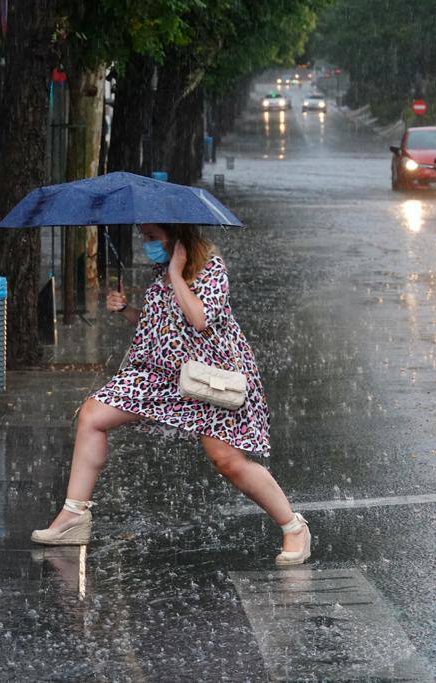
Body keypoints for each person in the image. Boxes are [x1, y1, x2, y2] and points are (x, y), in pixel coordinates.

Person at [32, 223, 311, 565]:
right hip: (160, 376)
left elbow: (199, 320)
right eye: (143, 236)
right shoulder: (160, 272)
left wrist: (178, 276)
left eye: (152, 237)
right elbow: (161, 325)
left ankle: (293, 527)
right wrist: (125, 311)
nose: (145, 243)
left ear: (178, 237)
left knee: (228, 461)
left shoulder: (212, 269)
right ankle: (73, 516)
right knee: (93, 414)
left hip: (209, 377)